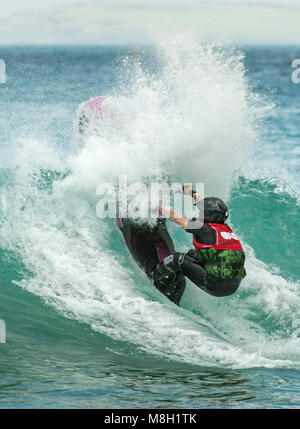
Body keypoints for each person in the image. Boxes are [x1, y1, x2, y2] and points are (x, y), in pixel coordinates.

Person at [155, 186, 246, 297]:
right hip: (233, 285)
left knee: (178, 259)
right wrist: (194, 193)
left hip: (216, 285)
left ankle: (153, 277)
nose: (198, 214)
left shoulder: (204, 229)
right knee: (191, 254)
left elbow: (176, 218)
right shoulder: (223, 228)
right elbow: (210, 210)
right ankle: (172, 282)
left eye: (200, 212)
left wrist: (155, 204)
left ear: (207, 216)